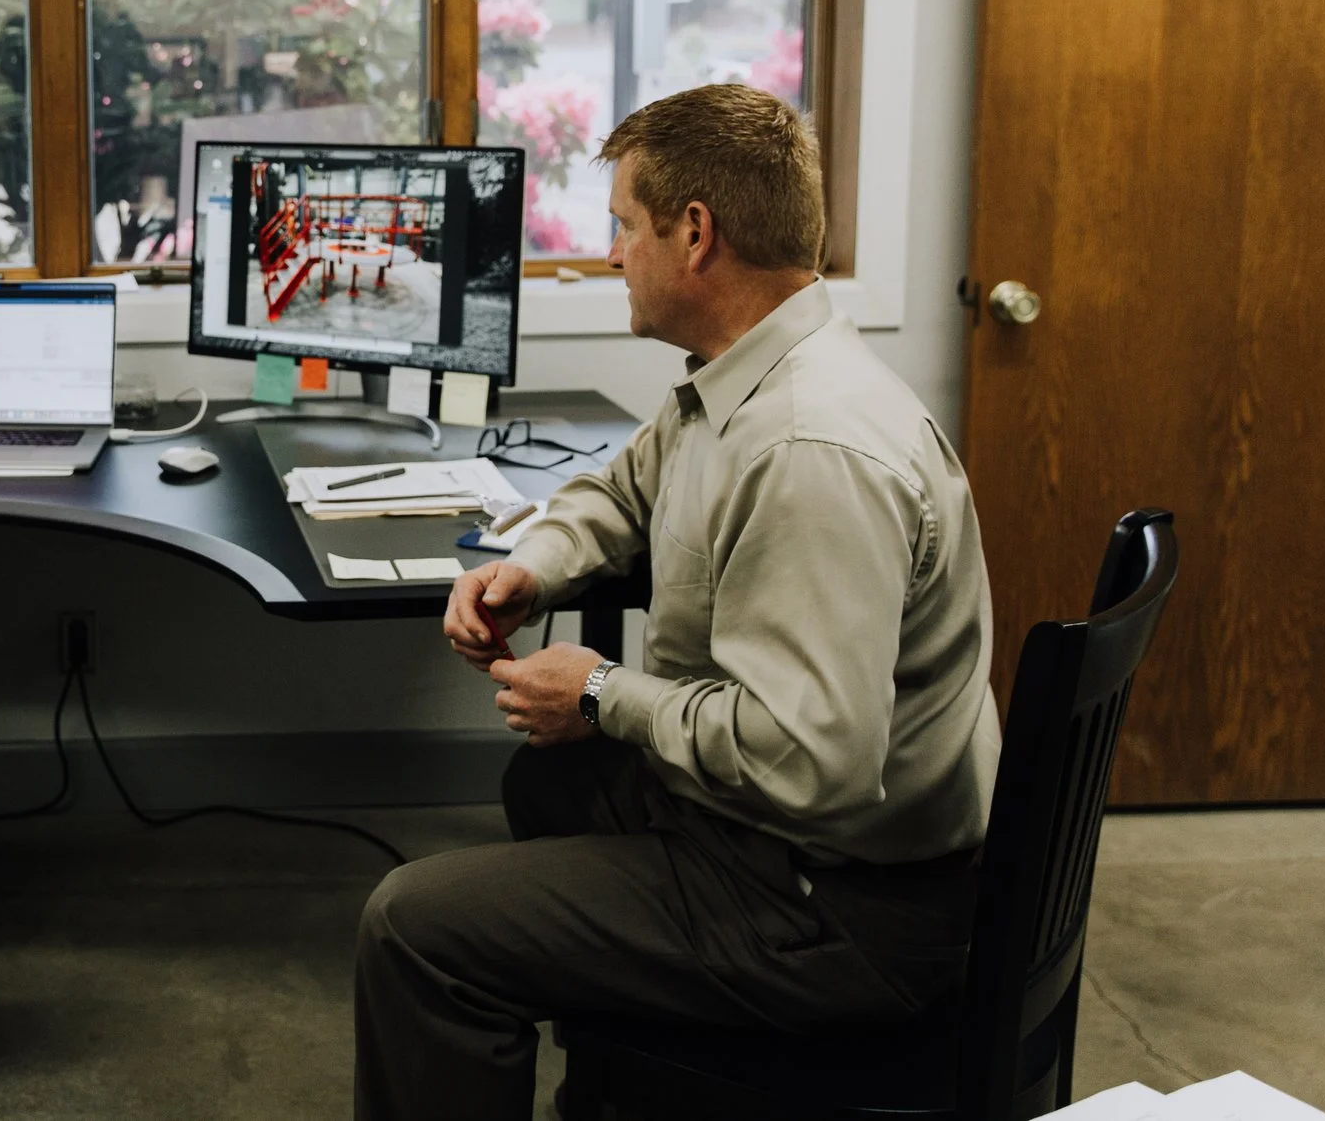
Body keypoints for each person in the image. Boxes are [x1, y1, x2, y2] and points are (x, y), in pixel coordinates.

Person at [352, 84, 998, 1121]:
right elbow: (621, 489)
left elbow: (816, 760)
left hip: (834, 906)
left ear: (694, 233)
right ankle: (624, 1077)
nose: (613, 253)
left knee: (414, 925)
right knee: (546, 786)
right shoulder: (745, 371)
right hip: (804, 849)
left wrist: (604, 691)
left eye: (621, 225)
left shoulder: (806, 451)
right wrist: (536, 565)